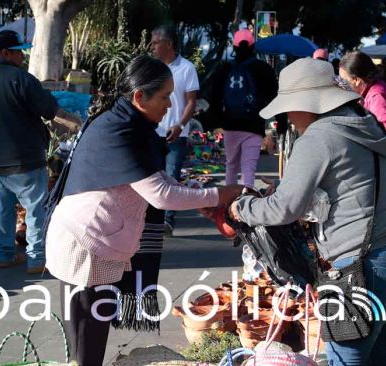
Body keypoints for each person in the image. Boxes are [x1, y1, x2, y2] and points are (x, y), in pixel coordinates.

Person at [44, 55, 244, 366]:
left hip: (98, 242)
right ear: (140, 96)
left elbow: (157, 180)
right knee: (86, 347)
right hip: (84, 245)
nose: (169, 104)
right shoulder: (119, 130)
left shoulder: (131, 126)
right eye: (165, 96)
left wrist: (203, 199)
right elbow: (161, 195)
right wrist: (220, 195)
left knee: (90, 342)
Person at [229, 58, 386, 366]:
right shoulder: (363, 121)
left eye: (289, 107)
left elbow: (284, 208)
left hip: (366, 269)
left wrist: (242, 207)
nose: (288, 118)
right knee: (379, 359)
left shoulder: (319, 137)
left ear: (308, 103)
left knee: (346, 361)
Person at [0, 30, 56, 273]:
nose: (22, 55)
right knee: (34, 210)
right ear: (5, 53)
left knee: (3, 210)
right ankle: (37, 260)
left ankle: (5, 255)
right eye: (18, 51)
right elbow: (48, 108)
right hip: (26, 158)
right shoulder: (21, 78)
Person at [209, 29, 279, 188]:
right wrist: (278, 124)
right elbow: (275, 95)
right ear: (253, 46)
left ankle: (228, 204)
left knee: (231, 166)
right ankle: (245, 204)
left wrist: (220, 120)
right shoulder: (263, 68)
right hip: (254, 125)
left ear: (234, 47)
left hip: (231, 126)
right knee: (249, 170)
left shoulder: (225, 68)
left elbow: (214, 97)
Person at [150, 24, 199, 235]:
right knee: (152, 177)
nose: (151, 47)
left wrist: (180, 125)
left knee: (171, 176)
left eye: (155, 43)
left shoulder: (187, 68)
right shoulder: (151, 69)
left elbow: (191, 102)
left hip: (176, 134)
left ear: (168, 44)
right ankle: (151, 219)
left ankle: (167, 220)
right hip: (153, 132)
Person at [339, 51, 386, 165]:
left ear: (357, 80)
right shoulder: (373, 89)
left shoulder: (376, 97)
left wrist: (377, 166)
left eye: (344, 81)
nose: (342, 85)